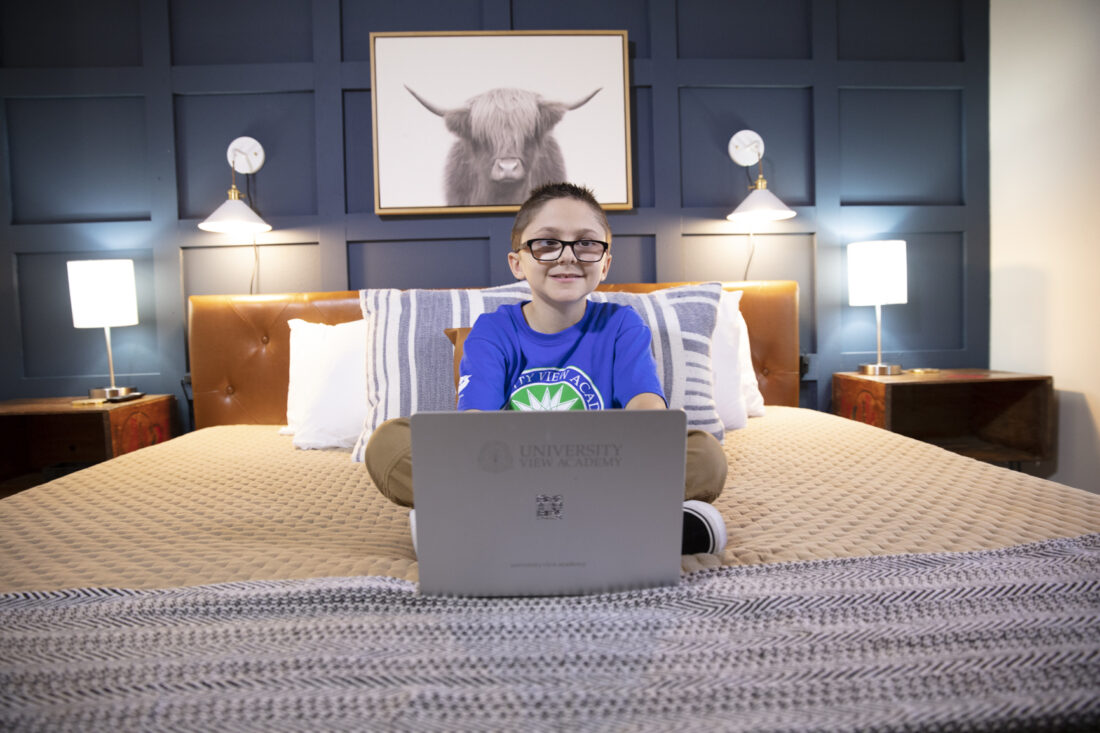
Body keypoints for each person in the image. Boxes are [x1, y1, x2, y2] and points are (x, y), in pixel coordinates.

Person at [365, 182, 728, 555]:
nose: (567, 256)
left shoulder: (622, 325)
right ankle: (622, 524)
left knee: (704, 454)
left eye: (586, 243)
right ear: (517, 262)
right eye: (547, 243)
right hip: (505, 470)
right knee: (389, 443)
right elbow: (473, 426)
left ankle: (482, 522)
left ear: (604, 263)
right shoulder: (493, 330)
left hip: (603, 467)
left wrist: (640, 444)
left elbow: (648, 412)